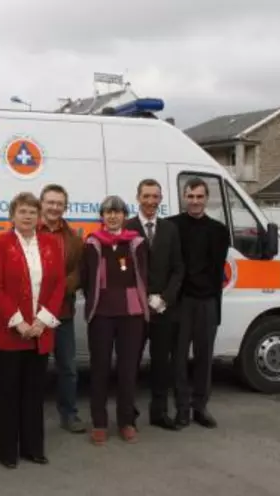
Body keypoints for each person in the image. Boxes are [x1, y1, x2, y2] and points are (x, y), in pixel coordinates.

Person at [0, 192, 65, 469]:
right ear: (12, 215)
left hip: (39, 333)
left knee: (34, 394)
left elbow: (59, 286)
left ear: (39, 216)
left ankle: (33, 448)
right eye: (23, 211)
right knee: (8, 394)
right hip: (9, 333)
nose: (29, 216)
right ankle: (6, 451)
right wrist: (18, 321)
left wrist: (42, 321)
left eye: (33, 211)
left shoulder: (52, 243)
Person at [80, 195, 148, 445]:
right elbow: (87, 281)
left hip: (132, 314)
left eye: (117, 212)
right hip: (101, 314)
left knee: (128, 370)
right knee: (99, 369)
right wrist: (97, 302)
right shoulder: (92, 243)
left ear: (124, 216)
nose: (112, 216)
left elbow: (143, 275)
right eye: (108, 212)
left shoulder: (137, 243)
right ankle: (99, 423)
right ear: (102, 216)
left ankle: (126, 421)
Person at [167, 177, 230, 429]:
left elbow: (217, 272)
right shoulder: (171, 226)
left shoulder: (218, 231)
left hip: (207, 302)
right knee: (179, 358)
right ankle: (182, 408)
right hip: (181, 303)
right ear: (184, 197)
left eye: (199, 196)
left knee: (205, 358)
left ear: (207, 199)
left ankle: (200, 407)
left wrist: (215, 306)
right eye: (190, 196)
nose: (195, 201)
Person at [126, 178, 184, 430]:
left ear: (161, 199)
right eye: (146, 196)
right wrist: (143, 296)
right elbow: (122, 269)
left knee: (162, 364)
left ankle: (159, 413)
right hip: (135, 309)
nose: (150, 201)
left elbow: (178, 268)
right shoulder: (126, 228)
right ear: (138, 198)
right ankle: (128, 415)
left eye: (155, 196)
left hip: (163, 309)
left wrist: (165, 298)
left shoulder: (170, 229)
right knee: (130, 364)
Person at [38, 184, 86, 434]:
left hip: (62, 314)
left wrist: (55, 292)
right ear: (41, 204)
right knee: (34, 370)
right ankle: (31, 416)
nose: (54, 207)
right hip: (33, 316)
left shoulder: (75, 240)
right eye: (50, 202)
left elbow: (78, 274)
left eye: (59, 203)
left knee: (67, 368)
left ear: (65, 207)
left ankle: (69, 414)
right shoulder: (28, 232)